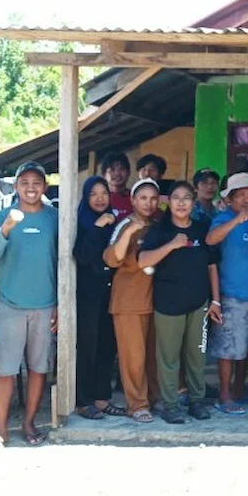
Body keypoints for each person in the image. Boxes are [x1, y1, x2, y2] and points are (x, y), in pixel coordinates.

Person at [0, 161, 58, 447]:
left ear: (45, 187)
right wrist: (7, 227)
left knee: (39, 368)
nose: (30, 188)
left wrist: (61, 306)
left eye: (36, 182)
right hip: (10, 306)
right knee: (5, 370)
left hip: (45, 307)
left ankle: (29, 424)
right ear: (15, 187)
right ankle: (1, 430)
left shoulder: (54, 218)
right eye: (24, 182)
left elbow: (63, 261)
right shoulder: (3, 216)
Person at [138, 182, 219, 424]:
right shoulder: (160, 230)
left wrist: (216, 300)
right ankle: (170, 405)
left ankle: (196, 401)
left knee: (197, 356)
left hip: (199, 304)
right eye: (176, 198)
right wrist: (172, 245)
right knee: (169, 358)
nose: (181, 203)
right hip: (168, 304)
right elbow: (143, 260)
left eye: (186, 198)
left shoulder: (202, 229)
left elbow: (212, 266)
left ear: (193, 202)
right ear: (168, 202)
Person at [105, 178, 162, 423]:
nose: (148, 203)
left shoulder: (160, 224)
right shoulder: (124, 224)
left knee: (154, 357)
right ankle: (137, 404)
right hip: (129, 301)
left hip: (157, 300)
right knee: (133, 358)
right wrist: (129, 230)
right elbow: (111, 259)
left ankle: (154, 398)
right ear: (133, 200)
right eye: (143, 198)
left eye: (152, 198)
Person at [205, 172, 248, 415]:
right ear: (229, 200)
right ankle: (224, 394)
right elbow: (210, 240)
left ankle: (239, 390)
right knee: (227, 349)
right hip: (230, 295)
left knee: (246, 346)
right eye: (241, 196)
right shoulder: (222, 219)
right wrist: (236, 220)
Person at [73, 176, 122, 419]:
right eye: (94, 194)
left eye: (104, 192)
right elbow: (81, 256)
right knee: (87, 348)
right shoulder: (81, 222)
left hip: (111, 293)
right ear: (85, 197)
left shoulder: (115, 221)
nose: (100, 198)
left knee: (107, 346)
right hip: (87, 295)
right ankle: (83, 400)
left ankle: (102, 399)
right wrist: (96, 227)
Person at [101, 151, 133, 221]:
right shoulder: (99, 199)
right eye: (112, 169)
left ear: (128, 173)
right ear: (104, 175)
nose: (117, 173)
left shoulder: (136, 197)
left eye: (121, 169)